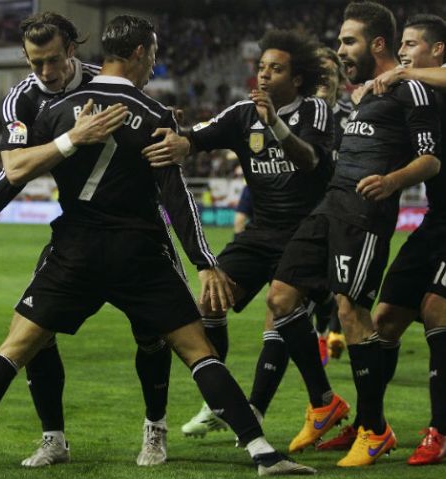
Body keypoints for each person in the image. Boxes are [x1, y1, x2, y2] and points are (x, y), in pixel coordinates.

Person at [0, 15, 315, 477]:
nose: (154, 64)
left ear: (77, 52)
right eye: (153, 55)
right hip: (140, 251)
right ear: (139, 52)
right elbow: (177, 199)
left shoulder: (58, 111)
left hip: (75, 250)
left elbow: (13, 175)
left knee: (16, 346)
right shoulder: (154, 115)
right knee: (197, 350)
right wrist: (203, 261)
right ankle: (262, 452)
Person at [0, 11, 188, 467]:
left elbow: (154, 128)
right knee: (35, 332)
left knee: (153, 334)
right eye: (35, 63)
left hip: (136, 230)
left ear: (72, 50)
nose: (45, 72)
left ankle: (155, 428)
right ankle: (53, 439)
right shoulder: (22, 101)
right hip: (78, 234)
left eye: (52, 60)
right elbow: (13, 173)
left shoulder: (104, 80)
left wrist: (182, 137)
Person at [145, 29, 349, 449]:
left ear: (297, 79)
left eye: (276, 69)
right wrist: (174, 137)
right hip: (262, 231)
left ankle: (321, 400)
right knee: (210, 301)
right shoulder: (241, 114)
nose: (264, 74)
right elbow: (195, 139)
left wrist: (275, 123)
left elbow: (310, 160)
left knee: (280, 303)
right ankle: (225, 401)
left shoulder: (314, 110)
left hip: (309, 230)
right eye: (261, 67)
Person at [265, 0, 442, 467]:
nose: (341, 49)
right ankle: (324, 403)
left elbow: (431, 159)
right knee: (281, 297)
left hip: (365, 214)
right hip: (330, 206)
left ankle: (375, 429)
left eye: (349, 41)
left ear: (377, 44)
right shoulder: (361, 94)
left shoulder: (411, 90)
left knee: (350, 310)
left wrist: (392, 181)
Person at [321, 13, 446, 466]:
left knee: (436, 310)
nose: (403, 51)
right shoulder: (411, 94)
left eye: (412, 44)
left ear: (437, 50)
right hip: (434, 223)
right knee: (383, 321)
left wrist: (401, 74)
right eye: (400, 45)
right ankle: (369, 423)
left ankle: (442, 433)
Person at [312, 46, 353, 364]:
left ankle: (332, 332)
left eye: (330, 72)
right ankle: (324, 330)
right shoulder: (297, 115)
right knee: (312, 283)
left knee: (341, 278)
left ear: (340, 78)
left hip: (344, 211)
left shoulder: (354, 116)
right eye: (319, 72)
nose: (325, 78)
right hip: (307, 212)